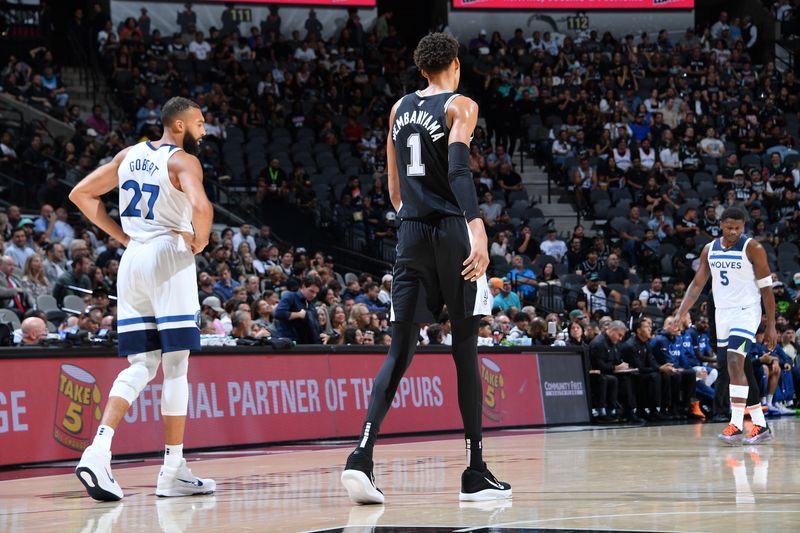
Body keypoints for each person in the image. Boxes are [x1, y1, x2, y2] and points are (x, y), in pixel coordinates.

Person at [341, 33, 510, 506]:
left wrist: (412, 216)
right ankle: (475, 470)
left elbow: (394, 188)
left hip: (409, 232)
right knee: (464, 348)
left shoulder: (398, 110)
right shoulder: (461, 105)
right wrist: (476, 227)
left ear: (421, 70)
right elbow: (459, 170)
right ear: (455, 64)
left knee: (399, 351)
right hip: (451, 231)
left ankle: (361, 456)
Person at [70, 97, 215, 501]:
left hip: (133, 260)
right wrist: (200, 241)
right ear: (180, 126)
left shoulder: (127, 154)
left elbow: (81, 194)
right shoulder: (183, 161)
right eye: (200, 124)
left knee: (142, 364)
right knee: (175, 366)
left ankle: (98, 450)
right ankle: (172, 469)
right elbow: (202, 206)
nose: (205, 131)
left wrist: (123, 239)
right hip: (169, 253)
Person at [675, 206, 776, 445]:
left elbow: (767, 289)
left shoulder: (753, 248)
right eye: (729, 227)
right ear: (720, 224)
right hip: (723, 314)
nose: (733, 232)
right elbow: (697, 285)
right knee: (740, 369)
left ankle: (736, 424)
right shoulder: (709, 249)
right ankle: (761, 425)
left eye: (738, 228)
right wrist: (681, 312)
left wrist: (770, 324)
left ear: (744, 227)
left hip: (746, 312)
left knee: (733, 361)